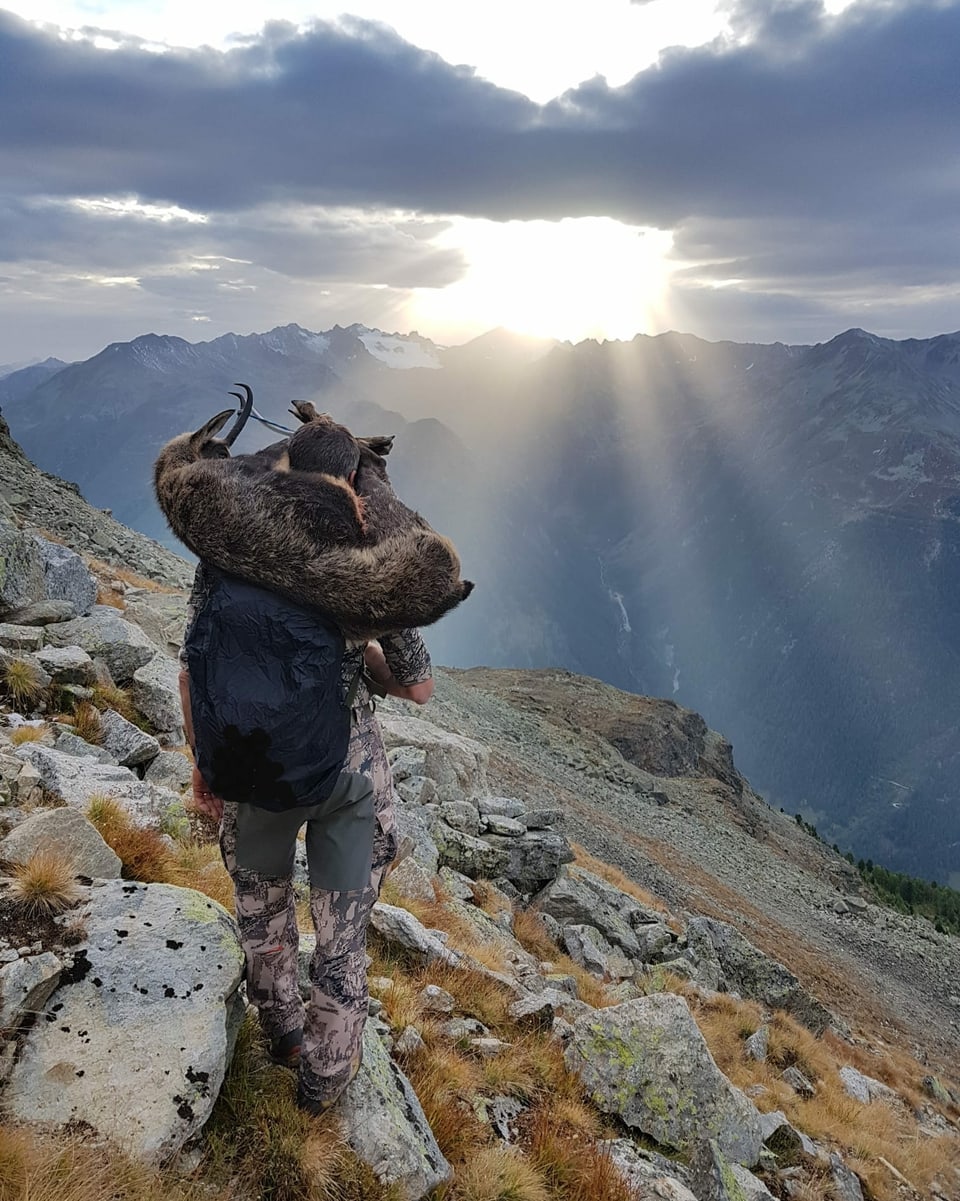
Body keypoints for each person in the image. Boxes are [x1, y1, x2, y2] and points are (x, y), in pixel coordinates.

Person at [179, 485, 434, 1114]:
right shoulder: (369, 570)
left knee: (264, 917)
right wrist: (364, 654)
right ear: (352, 493)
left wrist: (203, 770)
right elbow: (419, 687)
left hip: (260, 773)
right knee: (341, 935)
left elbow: (193, 668)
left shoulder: (232, 552)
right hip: (344, 781)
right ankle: (323, 1085)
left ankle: (284, 1035)